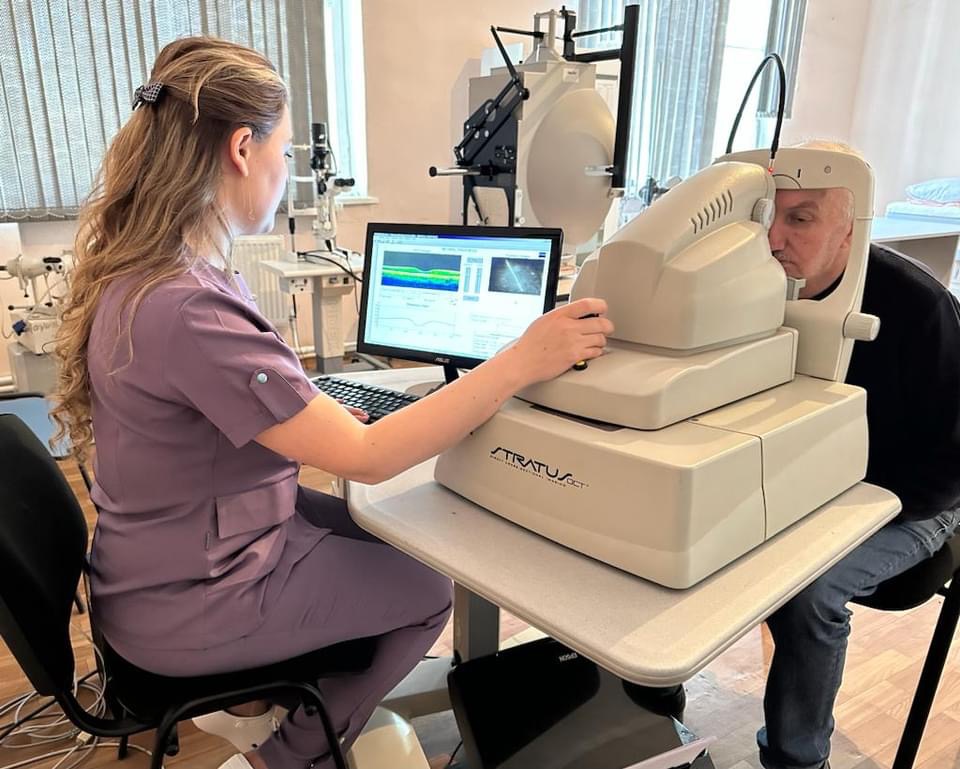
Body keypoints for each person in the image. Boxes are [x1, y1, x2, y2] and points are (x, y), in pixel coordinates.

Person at [52, 37, 613, 769]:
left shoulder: (147, 273)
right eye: (285, 152)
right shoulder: (188, 303)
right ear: (243, 149)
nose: (287, 170)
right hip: (191, 598)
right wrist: (522, 359)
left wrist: (316, 412)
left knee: (401, 536)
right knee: (427, 588)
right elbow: (368, 457)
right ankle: (290, 756)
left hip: (159, 564)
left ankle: (277, 701)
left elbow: (226, 408)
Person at [757, 142, 960, 769]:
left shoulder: (920, 306)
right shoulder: (756, 289)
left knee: (807, 591)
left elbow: (948, 464)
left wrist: (844, 509)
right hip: (812, 478)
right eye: (769, 214)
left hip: (919, 495)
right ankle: (656, 710)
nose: (774, 238)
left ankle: (797, 759)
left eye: (801, 218)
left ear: (851, 227)